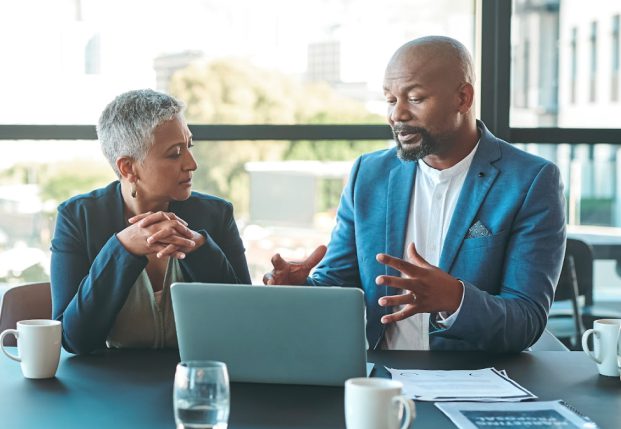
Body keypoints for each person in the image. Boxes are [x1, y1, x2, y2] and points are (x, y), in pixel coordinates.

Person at [264, 36, 566, 352]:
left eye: (415, 98)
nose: (398, 115)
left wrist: (455, 299)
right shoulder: (368, 174)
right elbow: (337, 287)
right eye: (391, 100)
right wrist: (300, 291)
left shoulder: (530, 180)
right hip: (380, 377)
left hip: (475, 381)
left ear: (463, 99)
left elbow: (527, 320)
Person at [51, 89, 250, 355]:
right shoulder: (77, 218)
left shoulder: (217, 215)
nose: (192, 164)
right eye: (175, 153)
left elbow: (244, 321)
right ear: (128, 168)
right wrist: (121, 250)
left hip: (197, 377)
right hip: (109, 386)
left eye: (189, 147)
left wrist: (200, 248)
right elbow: (74, 339)